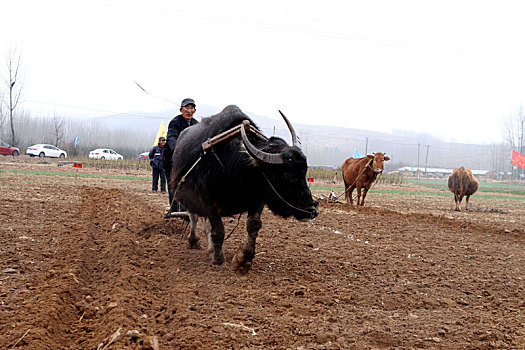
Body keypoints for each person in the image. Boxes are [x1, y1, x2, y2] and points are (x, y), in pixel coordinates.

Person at [164, 98, 199, 210]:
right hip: (171, 160)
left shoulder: (196, 125)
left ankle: (186, 211)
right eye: (186, 108)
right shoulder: (175, 122)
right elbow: (171, 138)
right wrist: (179, 150)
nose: (189, 111)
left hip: (187, 161)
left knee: (187, 186)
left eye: (191, 108)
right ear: (181, 110)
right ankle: (174, 213)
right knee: (173, 185)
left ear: (194, 110)